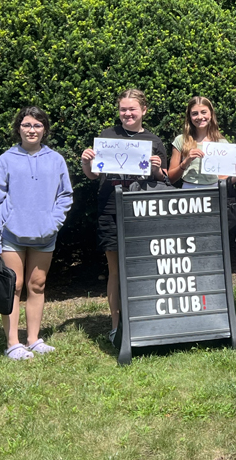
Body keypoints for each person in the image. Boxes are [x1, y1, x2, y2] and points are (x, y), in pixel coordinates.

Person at [0, 107, 73, 360]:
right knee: (14, 286)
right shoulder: (6, 159)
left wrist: (53, 222)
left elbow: (65, 196)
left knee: (37, 285)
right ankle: (13, 343)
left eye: (37, 125)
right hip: (11, 235)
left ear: (45, 129)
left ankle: (33, 340)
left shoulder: (56, 160)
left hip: (45, 235)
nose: (32, 130)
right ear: (18, 128)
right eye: (27, 125)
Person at [80, 89, 167, 345]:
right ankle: (116, 327)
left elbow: (163, 179)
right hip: (110, 209)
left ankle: (146, 321)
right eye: (123, 109)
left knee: (146, 268)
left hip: (142, 210)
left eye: (132, 109)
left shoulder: (154, 140)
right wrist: (86, 162)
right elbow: (94, 175)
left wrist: (156, 168)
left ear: (144, 111)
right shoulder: (107, 136)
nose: (127, 114)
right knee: (115, 270)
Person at [168, 96, 228, 188]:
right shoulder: (181, 140)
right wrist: (186, 162)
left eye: (204, 112)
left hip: (214, 190)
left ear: (211, 114)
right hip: (189, 190)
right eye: (195, 113)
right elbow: (171, 178)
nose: (200, 117)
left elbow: (227, 176)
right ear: (189, 117)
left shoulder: (221, 143)